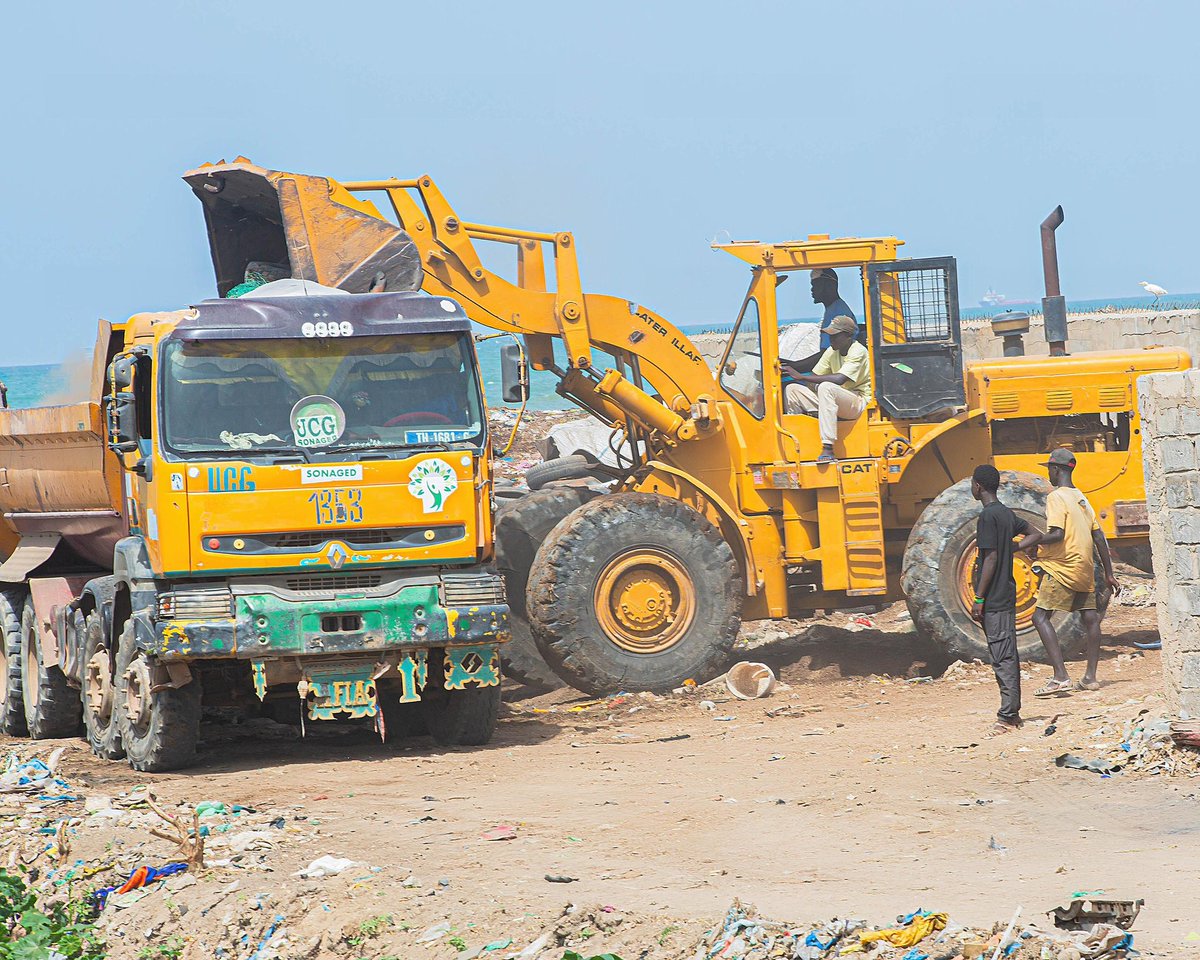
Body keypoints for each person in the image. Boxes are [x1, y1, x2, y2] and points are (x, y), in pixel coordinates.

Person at [1016, 448, 1121, 696]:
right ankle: (1090, 677)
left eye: (1049, 470)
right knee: (1091, 619)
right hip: (1084, 567)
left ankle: (1060, 677)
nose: (1049, 475)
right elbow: (1098, 536)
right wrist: (1109, 573)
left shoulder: (1056, 497)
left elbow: (1057, 534)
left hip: (1062, 567)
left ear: (1056, 469)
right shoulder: (1080, 497)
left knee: (1040, 618)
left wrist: (1028, 542)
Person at [970, 464, 1029, 735]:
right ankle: (1011, 712)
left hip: (995, 597)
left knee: (1002, 655)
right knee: (1005, 652)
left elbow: (991, 558)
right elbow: (1035, 534)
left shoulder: (987, 517)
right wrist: (1012, 547)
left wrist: (979, 598)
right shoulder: (1006, 513)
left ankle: (1008, 716)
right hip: (1006, 593)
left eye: (972, 484)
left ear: (978, 486)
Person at [783, 315, 871, 462]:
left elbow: (840, 379)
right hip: (837, 399)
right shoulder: (832, 351)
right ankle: (797, 441)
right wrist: (809, 383)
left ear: (848, 336)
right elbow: (814, 376)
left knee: (826, 387)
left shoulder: (858, 351)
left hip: (858, 402)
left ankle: (828, 447)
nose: (831, 339)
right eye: (830, 335)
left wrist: (802, 377)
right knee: (792, 390)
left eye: (835, 336)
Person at [778, 268, 859, 376]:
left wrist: (794, 366)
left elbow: (827, 354)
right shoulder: (832, 309)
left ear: (829, 285)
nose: (812, 289)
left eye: (815, 285)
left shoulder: (839, 313)